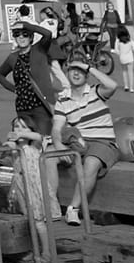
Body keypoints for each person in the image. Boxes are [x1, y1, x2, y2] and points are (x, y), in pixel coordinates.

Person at [49, 52, 120, 224]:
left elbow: (113, 85)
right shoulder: (63, 99)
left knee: (91, 162)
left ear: (86, 74)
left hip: (103, 142)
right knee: (48, 156)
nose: (76, 73)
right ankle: (52, 205)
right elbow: (56, 128)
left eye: (80, 70)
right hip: (79, 142)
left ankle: (73, 209)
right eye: (72, 69)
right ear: (66, 73)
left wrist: (88, 66)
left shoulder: (96, 91)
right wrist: (58, 145)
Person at [0, 21, 56, 139]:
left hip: (41, 106)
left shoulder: (39, 49)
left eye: (25, 34)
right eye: (17, 34)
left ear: (31, 37)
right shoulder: (13, 57)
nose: (21, 37)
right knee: (25, 141)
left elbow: (47, 34)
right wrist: (14, 89)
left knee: (44, 139)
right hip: (23, 107)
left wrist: (27, 26)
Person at [114, 26, 134, 98]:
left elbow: (116, 50)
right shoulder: (130, 40)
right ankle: (131, 88)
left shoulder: (117, 41)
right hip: (130, 58)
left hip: (122, 58)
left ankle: (126, 86)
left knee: (124, 72)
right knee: (130, 72)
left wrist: (120, 54)